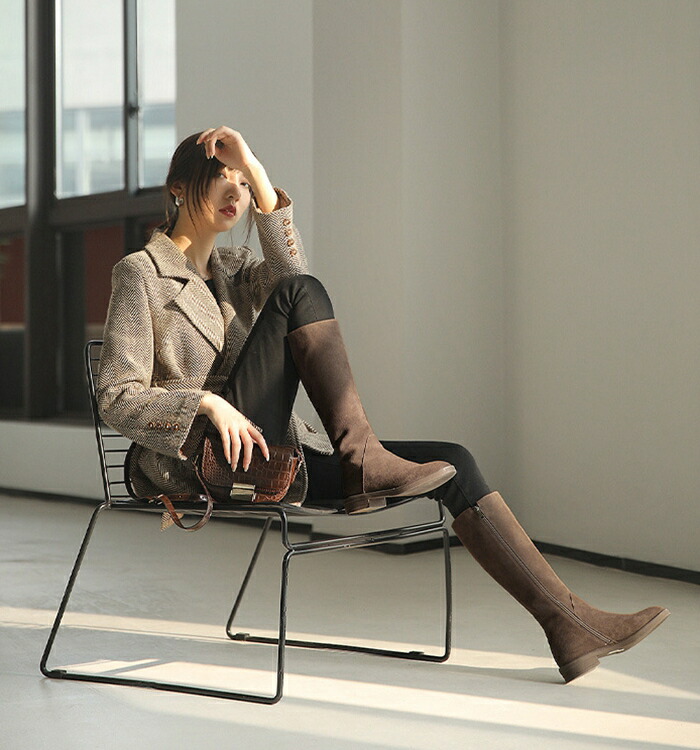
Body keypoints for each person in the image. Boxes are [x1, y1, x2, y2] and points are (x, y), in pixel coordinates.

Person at [98, 126, 669, 684]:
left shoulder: (236, 270)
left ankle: (566, 624)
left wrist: (258, 169)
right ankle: (362, 458)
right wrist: (204, 404)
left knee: (455, 461)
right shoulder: (141, 274)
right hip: (206, 458)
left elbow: (294, 276)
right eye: (222, 177)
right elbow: (116, 395)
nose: (236, 192)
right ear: (179, 188)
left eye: (242, 183)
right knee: (300, 293)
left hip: (270, 453)